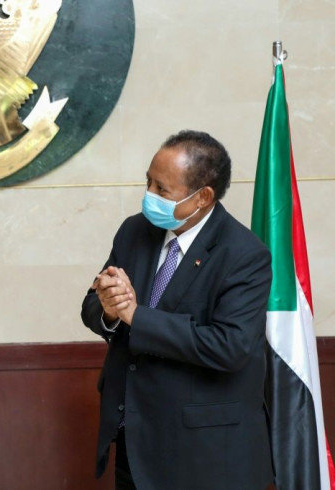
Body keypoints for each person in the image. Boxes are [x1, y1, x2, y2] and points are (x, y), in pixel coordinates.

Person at [81, 130, 273, 489]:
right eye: (148, 182)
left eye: (162, 189)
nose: (148, 196)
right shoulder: (134, 231)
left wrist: (135, 315)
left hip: (205, 455)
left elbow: (230, 346)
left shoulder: (244, 254)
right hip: (134, 439)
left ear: (203, 197)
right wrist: (108, 309)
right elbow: (95, 306)